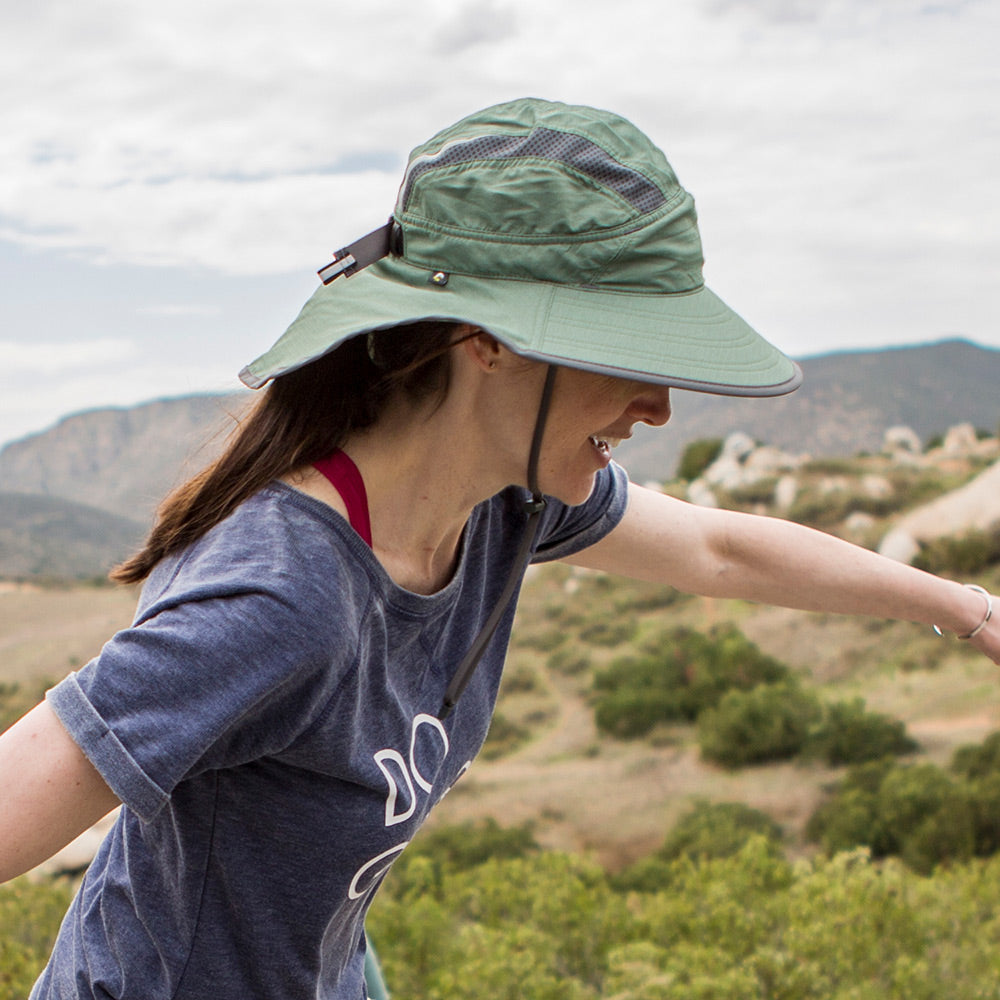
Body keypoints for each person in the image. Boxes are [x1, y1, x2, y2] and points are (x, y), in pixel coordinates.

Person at [1, 97, 997, 1000]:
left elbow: (718, 550)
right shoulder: (280, 597)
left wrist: (962, 606)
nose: (658, 405)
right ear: (486, 340)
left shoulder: (506, 504)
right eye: (630, 357)